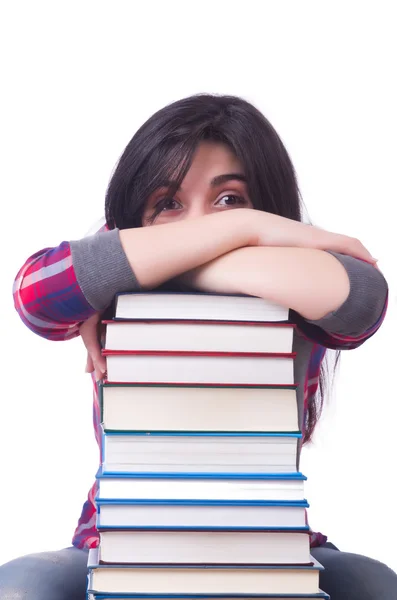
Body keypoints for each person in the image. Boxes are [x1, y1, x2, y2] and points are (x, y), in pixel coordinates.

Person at [3, 94, 395, 599]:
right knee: (19, 588)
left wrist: (162, 266)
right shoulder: (128, 257)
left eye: (230, 199)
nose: (201, 225)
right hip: (113, 544)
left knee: (378, 586)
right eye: (168, 203)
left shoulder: (296, 271)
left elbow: (361, 302)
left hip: (270, 546)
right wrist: (243, 229)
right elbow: (34, 296)